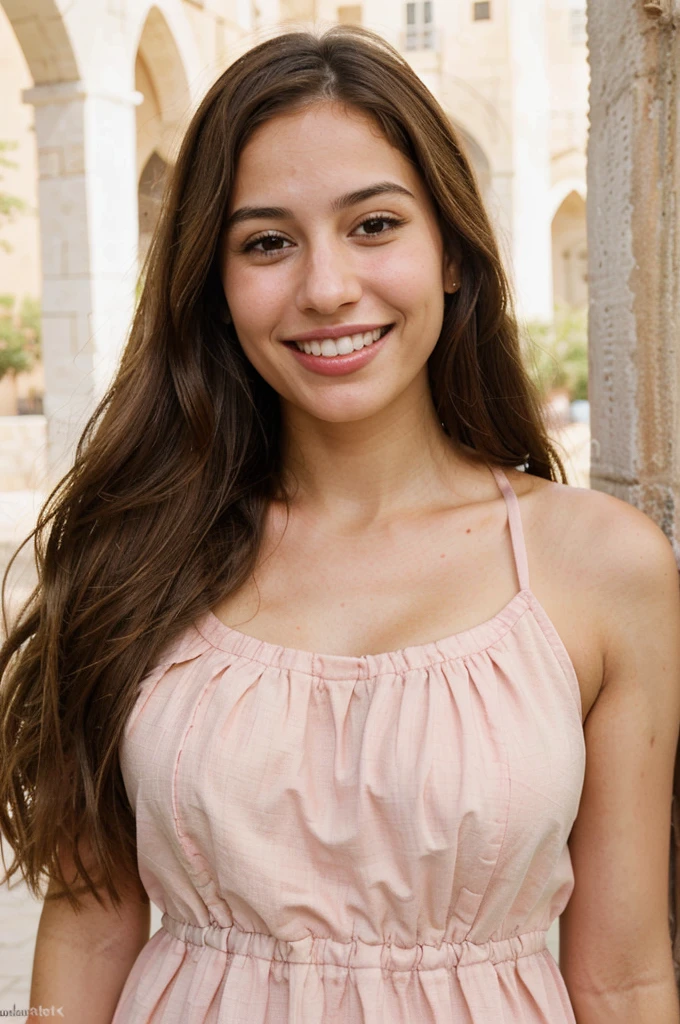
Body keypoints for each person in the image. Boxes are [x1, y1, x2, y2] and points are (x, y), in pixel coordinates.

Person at [1, 23, 680, 1024]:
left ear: (449, 252)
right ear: (214, 287)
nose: (325, 288)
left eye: (372, 225)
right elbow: (91, 923)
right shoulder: (137, 549)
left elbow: (619, 977)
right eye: (267, 242)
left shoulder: (599, 567)